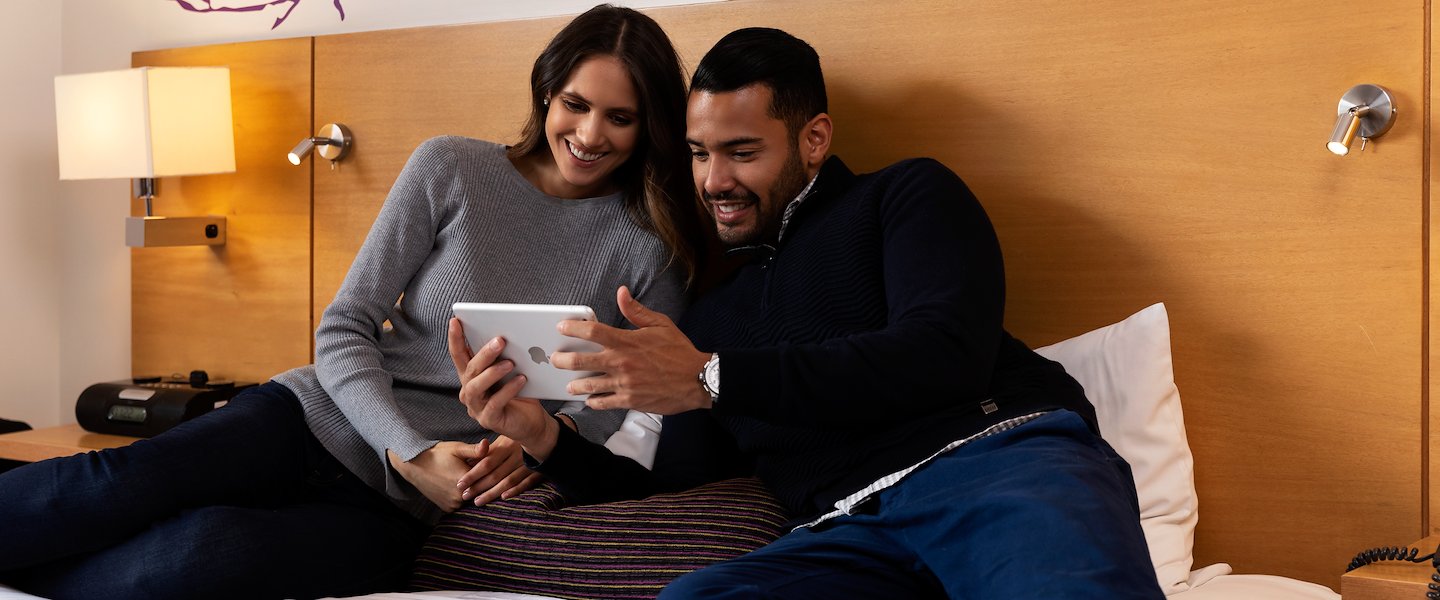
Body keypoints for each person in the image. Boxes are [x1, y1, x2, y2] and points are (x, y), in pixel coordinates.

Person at [0, 5, 695, 599]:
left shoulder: (651, 245)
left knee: (202, 557)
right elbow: (344, 327)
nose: (590, 134)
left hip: (408, 511)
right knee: (105, 488)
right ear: (546, 91)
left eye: (620, 117)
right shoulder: (450, 167)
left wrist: (543, 440)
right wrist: (409, 450)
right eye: (576, 104)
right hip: (310, 419)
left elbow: (621, 408)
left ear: (649, 126)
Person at [452, 27, 1166, 598]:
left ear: (814, 139)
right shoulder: (712, 318)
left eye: (741, 152)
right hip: (844, 537)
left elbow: (946, 353)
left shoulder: (905, 196)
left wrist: (713, 377)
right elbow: (671, 486)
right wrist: (542, 436)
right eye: (699, 155)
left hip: (995, 468)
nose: (714, 181)